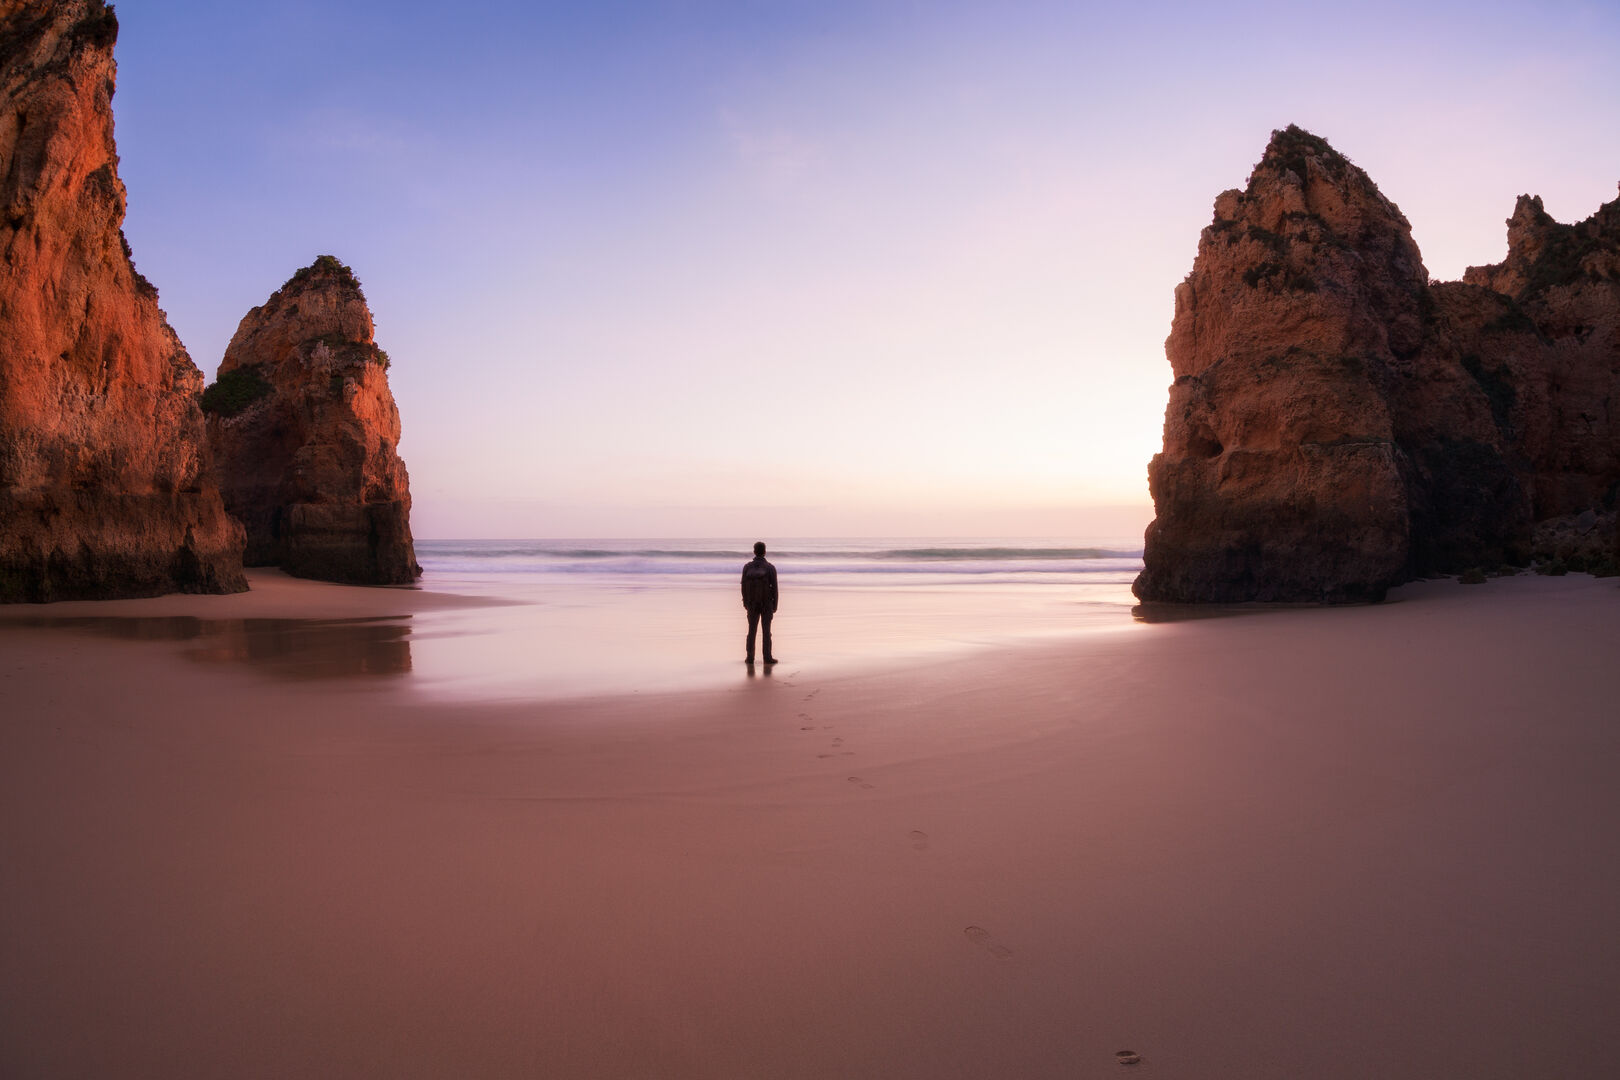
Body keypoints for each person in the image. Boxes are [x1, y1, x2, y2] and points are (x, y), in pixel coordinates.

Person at [740, 540, 778, 665]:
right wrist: (775, 605)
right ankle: (767, 657)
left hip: (751, 603)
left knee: (752, 631)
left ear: (754, 551)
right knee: (766, 631)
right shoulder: (770, 568)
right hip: (767, 604)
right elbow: (775, 588)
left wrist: (745, 602)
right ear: (765, 552)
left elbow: (743, 586)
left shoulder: (747, 567)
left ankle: (749, 658)